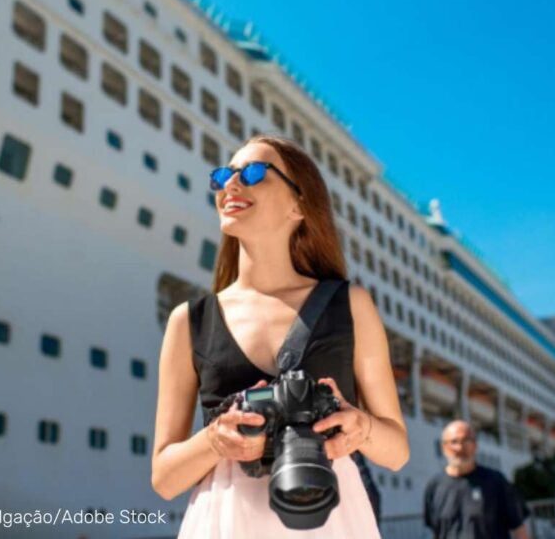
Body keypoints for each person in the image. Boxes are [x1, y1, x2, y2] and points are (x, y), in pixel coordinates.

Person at [151, 135, 410, 538]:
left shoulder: (351, 304)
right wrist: (217, 440)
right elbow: (164, 478)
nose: (230, 186)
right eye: (224, 176)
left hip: (331, 517)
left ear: (299, 205)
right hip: (226, 522)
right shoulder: (189, 321)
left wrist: (362, 428)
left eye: (253, 173)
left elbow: (397, 452)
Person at [424, 420, 529, 539]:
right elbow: (435, 531)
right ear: (444, 447)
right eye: (454, 442)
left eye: (465, 441)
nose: (460, 447)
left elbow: (518, 528)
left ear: (475, 445)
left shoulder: (496, 481)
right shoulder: (434, 486)